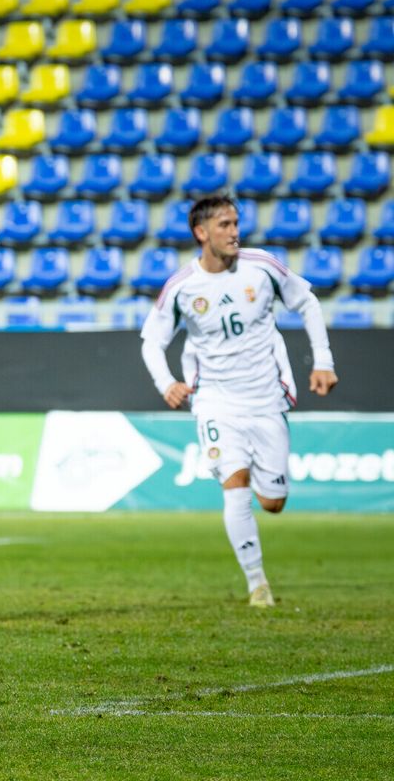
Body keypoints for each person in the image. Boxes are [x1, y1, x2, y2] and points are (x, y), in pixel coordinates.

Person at [141, 196, 338, 609]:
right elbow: (152, 342)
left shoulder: (262, 265)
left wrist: (323, 361)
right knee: (235, 485)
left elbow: (307, 302)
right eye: (225, 225)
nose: (234, 232)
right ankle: (258, 585)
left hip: (267, 399)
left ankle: (261, 551)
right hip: (215, 401)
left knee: (273, 502)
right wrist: (166, 383)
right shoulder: (182, 287)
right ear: (201, 232)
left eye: (236, 223)